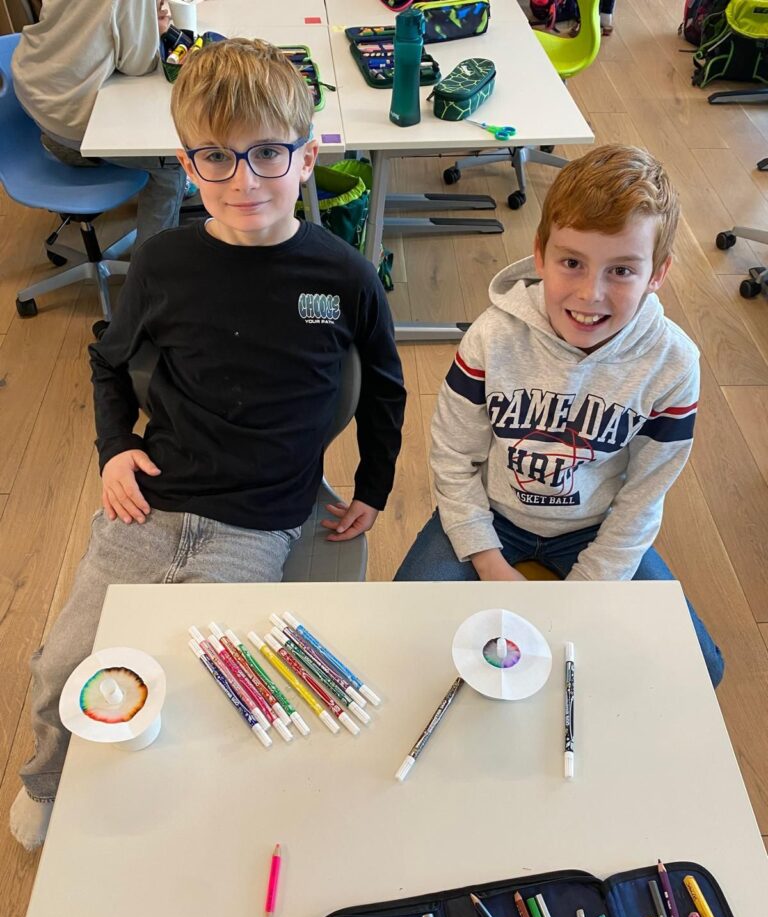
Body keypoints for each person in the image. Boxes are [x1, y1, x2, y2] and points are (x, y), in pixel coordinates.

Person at [10, 37, 406, 851]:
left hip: (258, 524)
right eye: (217, 158)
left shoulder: (345, 278)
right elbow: (107, 360)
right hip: (151, 503)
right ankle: (48, 779)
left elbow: (385, 386)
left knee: (201, 684)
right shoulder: (161, 263)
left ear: (307, 157)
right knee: (61, 668)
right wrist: (114, 449)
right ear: (188, 165)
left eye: (268, 154)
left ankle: (177, 807)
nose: (244, 181)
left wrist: (373, 486)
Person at [395, 144, 723, 687]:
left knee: (702, 667)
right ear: (540, 255)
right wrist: (489, 562)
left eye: (622, 270)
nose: (591, 295)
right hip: (493, 514)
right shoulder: (491, 338)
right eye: (572, 263)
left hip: (593, 527)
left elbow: (644, 496)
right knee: (398, 632)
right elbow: (452, 457)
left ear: (658, 273)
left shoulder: (673, 365)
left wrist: (587, 589)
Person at [11, 0, 186, 245]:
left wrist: (139, 20)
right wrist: (150, 29)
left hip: (32, 85)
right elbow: (138, 65)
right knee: (173, 161)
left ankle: (70, 149)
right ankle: (151, 262)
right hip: (67, 111)